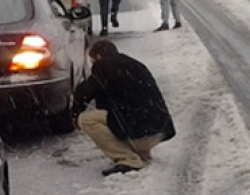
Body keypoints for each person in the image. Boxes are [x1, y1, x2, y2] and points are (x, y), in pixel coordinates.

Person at [73, 39, 176, 176]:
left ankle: (128, 159)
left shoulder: (104, 66)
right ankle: (142, 152)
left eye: (92, 61)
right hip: (158, 130)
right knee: (126, 114)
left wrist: (75, 113)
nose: (93, 65)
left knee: (86, 119)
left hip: (139, 132)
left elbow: (83, 93)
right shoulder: (135, 65)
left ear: (98, 57)